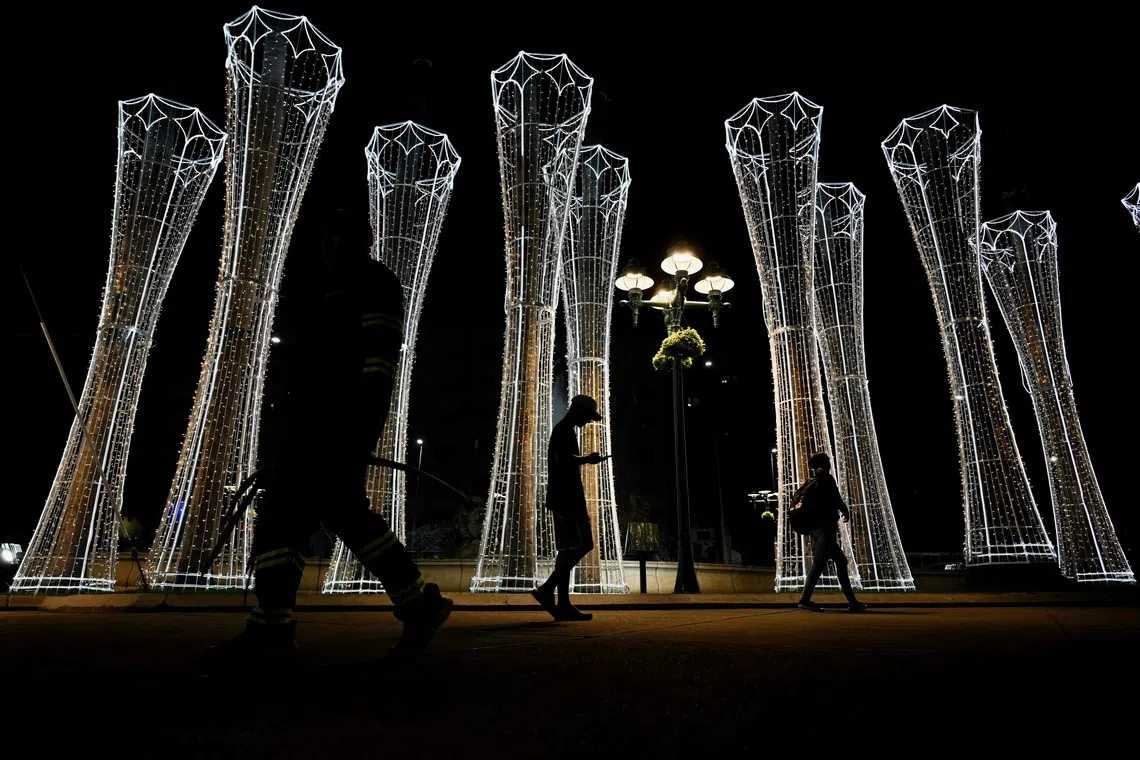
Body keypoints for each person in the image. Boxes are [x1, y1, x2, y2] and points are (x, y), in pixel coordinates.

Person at [208, 207, 452, 663]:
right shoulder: (323, 289)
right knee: (322, 515)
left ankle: (274, 628)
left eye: (339, 237)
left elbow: (378, 362)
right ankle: (415, 605)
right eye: (326, 238)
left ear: (364, 240)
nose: (329, 245)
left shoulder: (374, 284)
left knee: (307, 515)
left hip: (336, 424)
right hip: (308, 424)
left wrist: (359, 427)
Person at [532, 395, 608, 621]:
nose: (588, 421)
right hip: (567, 498)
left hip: (563, 497)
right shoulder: (563, 430)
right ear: (577, 410)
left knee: (566, 550)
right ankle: (547, 588)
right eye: (587, 416)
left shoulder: (566, 430)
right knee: (585, 544)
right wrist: (587, 459)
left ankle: (563, 604)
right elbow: (562, 460)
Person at [794, 452, 867, 613]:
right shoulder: (827, 479)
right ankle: (805, 600)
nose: (830, 463)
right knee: (819, 564)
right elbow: (836, 498)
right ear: (823, 464)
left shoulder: (811, 481)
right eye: (827, 461)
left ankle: (852, 601)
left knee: (839, 561)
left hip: (815, 529)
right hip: (825, 529)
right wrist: (845, 511)